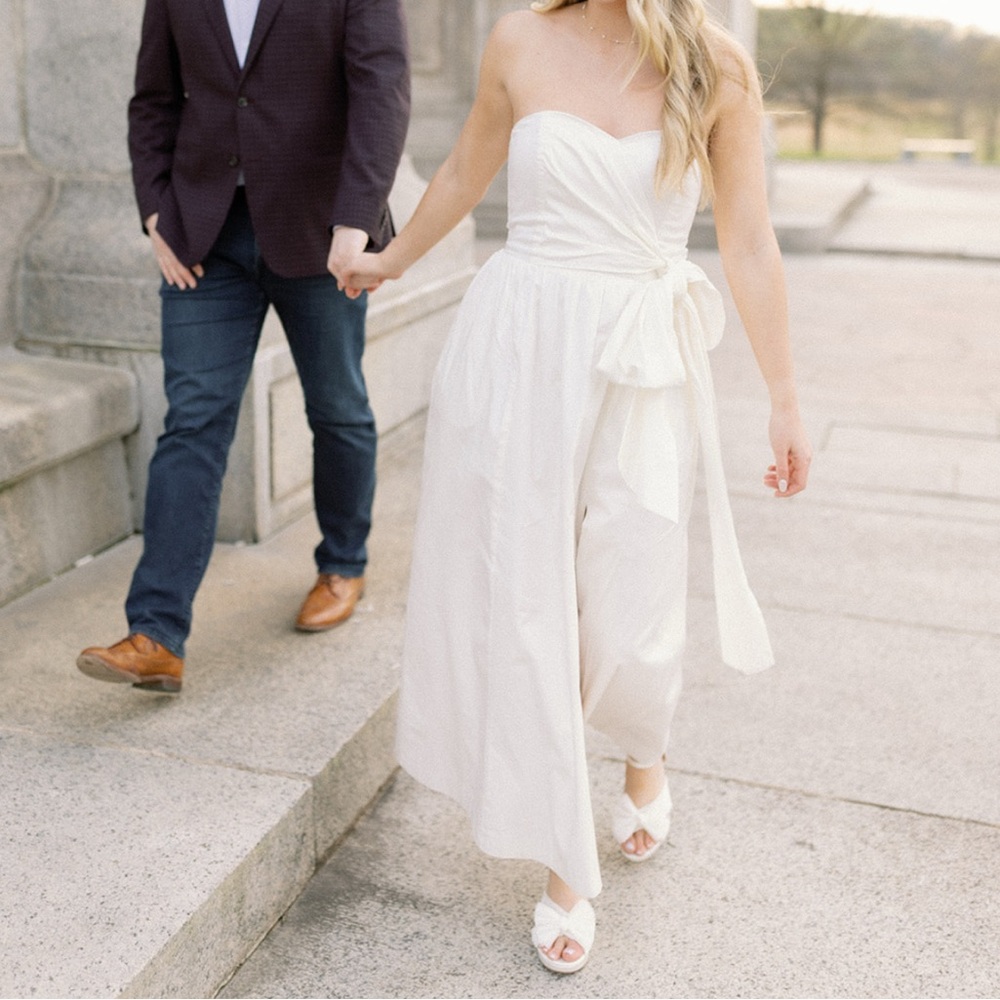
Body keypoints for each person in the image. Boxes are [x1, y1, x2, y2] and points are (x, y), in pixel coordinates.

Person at [339, 0, 811, 976]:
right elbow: (469, 169)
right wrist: (391, 260)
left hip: (642, 360)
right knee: (526, 606)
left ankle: (645, 751)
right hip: (516, 347)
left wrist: (783, 396)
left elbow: (749, 237)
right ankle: (564, 862)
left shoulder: (717, 66)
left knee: (631, 611)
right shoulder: (516, 38)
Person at [75, 0, 410, 693]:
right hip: (204, 236)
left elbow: (382, 94)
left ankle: (343, 563)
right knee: (193, 419)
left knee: (338, 407)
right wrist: (155, 211)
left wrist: (356, 221)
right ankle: (156, 634)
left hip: (321, 233)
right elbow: (154, 100)